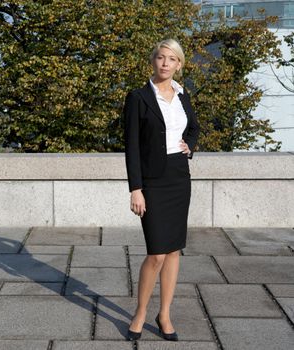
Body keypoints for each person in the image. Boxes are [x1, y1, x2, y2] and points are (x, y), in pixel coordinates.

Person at [122, 38, 200, 341]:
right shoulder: (138, 97)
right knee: (156, 252)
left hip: (179, 177)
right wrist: (136, 189)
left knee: (173, 250)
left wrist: (189, 147)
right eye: (160, 58)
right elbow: (131, 147)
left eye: (172, 59)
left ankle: (164, 314)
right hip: (152, 182)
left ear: (179, 64)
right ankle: (140, 312)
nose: (165, 63)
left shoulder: (183, 95)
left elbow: (193, 128)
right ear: (152, 61)